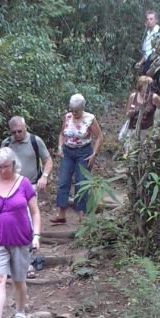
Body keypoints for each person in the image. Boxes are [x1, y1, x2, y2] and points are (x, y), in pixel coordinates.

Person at [0, 148, 40, 318]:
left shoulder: (24, 184)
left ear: (14, 165)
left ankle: (20, 311)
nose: (2, 171)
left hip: (21, 239)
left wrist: (37, 235)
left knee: (19, 280)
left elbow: (35, 212)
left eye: (6, 166)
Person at [51, 94, 103, 223]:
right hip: (68, 152)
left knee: (81, 182)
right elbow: (62, 134)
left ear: (82, 108)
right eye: (72, 110)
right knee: (63, 181)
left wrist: (94, 154)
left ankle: (82, 213)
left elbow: (100, 137)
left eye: (77, 111)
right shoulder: (67, 117)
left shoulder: (90, 118)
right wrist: (59, 147)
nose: (74, 113)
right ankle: (61, 213)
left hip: (84, 152)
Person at [0, 116, 53, 197]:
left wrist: (44, 176)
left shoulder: (35, 141)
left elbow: (48, 160)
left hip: (31, 185)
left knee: (31, 209)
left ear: (25, 127)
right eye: (14, 132)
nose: (17, 134)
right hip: (10, 185)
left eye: (19, 131)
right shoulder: (6, 143)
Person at [135, 10, 160, 94]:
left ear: (156, 20)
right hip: (148, 62)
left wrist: (157, 62)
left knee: (148, 81)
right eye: (147, 19)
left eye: (151, 19)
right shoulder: (147, 35)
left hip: (158, 62)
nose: (149, 21)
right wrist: (140, 63)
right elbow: (146, 54)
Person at [125, 75, 160, 140]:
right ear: (140, 87)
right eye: (147, 86)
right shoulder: (133, 96)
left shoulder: (154, 97)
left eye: (151, 86)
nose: (146, 93)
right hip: (132, 128)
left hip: (146, 130)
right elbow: (127, 113)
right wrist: (130, 113)